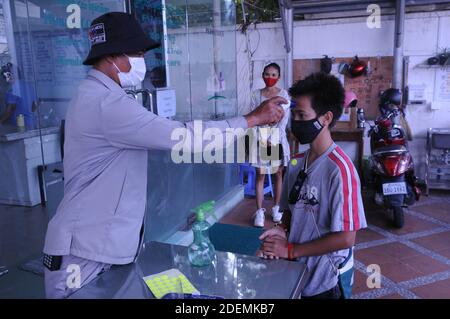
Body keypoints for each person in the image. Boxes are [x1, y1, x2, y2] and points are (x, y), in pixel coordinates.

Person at [42, 12, 285, 299]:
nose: (141, 60)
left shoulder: (95, 95)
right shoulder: (107, 103)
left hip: (97, 247)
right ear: (113, 56)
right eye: (137, 52)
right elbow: (185, 138)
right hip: (84, 257)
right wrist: (251, 119)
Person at [258, 72, 367, 299]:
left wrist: (291, 249)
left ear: (325, 118)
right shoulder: (297, 161)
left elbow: (346, 238)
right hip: (295, 271)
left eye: (301, 115)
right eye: (293, 115)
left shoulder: (340, 170)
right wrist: (281, 231)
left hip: (323, 282)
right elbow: (290, 209)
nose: (295, 122)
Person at [249, 63, 291, 228]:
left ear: (278, 77)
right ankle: (259, 211)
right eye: (267, 74)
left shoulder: (284, 95)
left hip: (277, 139)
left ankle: (276, 209)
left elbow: (284, 119)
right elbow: (253, 117)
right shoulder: (256, 95)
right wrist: (262, 137)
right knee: (260, 174)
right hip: (260, 139)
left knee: (277, 174)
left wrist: (273, 138)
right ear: (262, 75)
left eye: (274, 75)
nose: (270, 77)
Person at [0, 63, 37, 128]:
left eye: (5, 76)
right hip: (31, 123)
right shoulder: (29, 86)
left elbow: (9, 112)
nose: (5, 78)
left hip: (19, 125)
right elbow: (34, 106)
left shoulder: (12, 89)